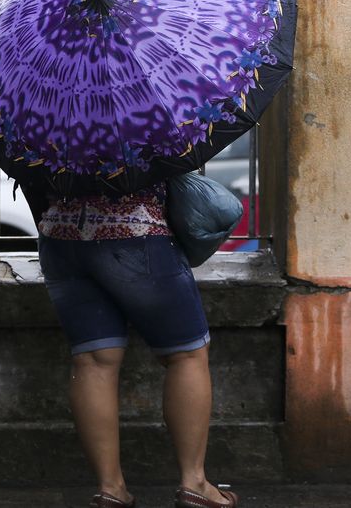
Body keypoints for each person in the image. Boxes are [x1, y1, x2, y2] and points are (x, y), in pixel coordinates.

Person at [21, 181, 239, 508]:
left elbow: (28, 178)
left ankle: (111, 489)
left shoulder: (41, 127)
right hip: (136, 234)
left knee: (94, 359)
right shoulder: (137, 126)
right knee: (187, 354)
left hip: (60, 237)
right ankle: (194, 482)